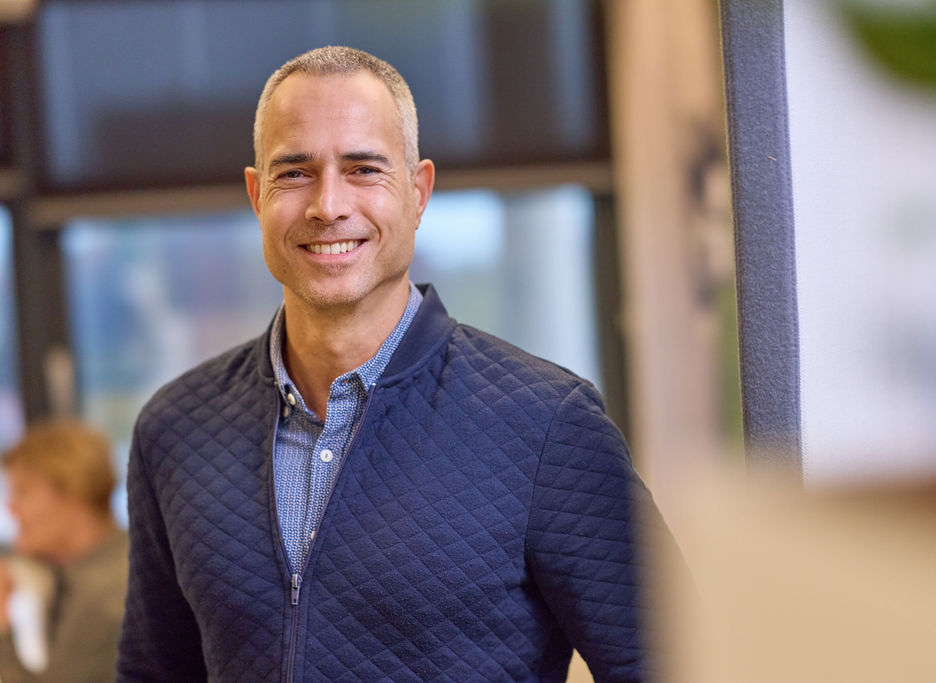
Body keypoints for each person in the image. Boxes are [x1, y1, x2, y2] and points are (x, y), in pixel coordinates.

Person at [118, 45, 667, 682]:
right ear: (255, 194)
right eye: (294, 172)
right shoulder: (176, 430)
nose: (327, 204)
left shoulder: (547, 425)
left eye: (363, 169)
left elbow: (677, 665)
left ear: (418, 190)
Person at [0, 419, 128, 683]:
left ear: (73, 489)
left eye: (22, 491)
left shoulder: (105, 594)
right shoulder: (110, 566)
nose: (10, 507)